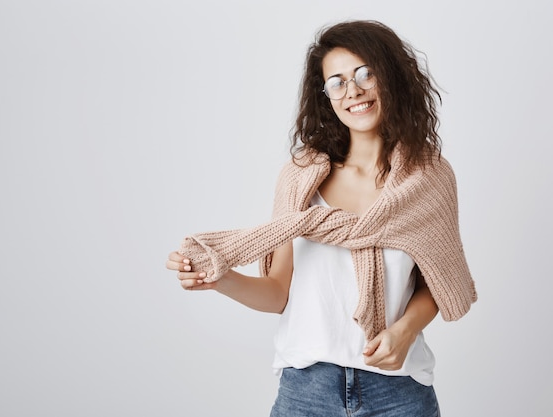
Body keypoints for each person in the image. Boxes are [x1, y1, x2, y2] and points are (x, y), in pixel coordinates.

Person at [166, 19, 477, 417]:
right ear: (326, 95)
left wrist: (405, 330)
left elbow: (440, 279)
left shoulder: (427, 176)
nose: (355, 91)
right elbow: (279, 292)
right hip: (306, 391)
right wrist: (220, 278)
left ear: (392, 76)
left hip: (398, 393)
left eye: (367, 73)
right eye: (338, 81)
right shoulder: (299, 177)